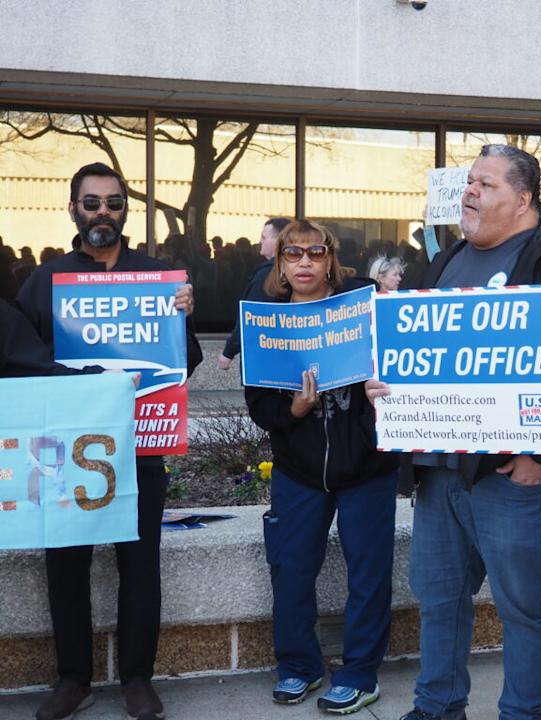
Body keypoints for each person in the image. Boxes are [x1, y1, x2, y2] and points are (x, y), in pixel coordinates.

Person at [367, 144, 541, 720]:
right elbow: (420, 357)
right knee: (439, 601)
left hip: (511, 478)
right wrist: (388, 385)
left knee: (521, 607)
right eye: (470, 182)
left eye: (485, 184)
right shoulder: (444, 263)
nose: (469, 192)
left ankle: (523, 713)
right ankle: (437, 707)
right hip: (438, 474)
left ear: (523, 200)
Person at [16, 162, 202, 720]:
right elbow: (19, 358)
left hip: (141, 443)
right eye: (92, 202)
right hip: (67, 446)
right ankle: (73, 678)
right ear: (73, 208)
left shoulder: (158, 277)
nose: (104, 213)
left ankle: (138, 678)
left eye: (114, 203)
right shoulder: (44, 280)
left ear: (127, 209)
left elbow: (183, 363)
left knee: (140, 563)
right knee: (65, 563)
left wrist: (181, 321)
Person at [245, 220, 398, 714]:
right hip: (299, 470)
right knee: (290, 570)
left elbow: (400, 370)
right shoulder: (266, 322)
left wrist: (382, 390)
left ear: (331, 259)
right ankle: (299, 666)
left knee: (369, 574)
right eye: (294, 253)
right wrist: (293, 411)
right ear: (281, 264)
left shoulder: (363, 308)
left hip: (366, 468)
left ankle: (359, 672)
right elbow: (258, 404)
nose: (305, 262)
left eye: (315, 252)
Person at [219, 217, 291, 369]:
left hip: (263, 358)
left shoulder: (268, 274)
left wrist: (229, 351)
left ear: (279, 241)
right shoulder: (292, 271)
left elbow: (251, 316)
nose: (260, 241)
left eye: (264, 238)